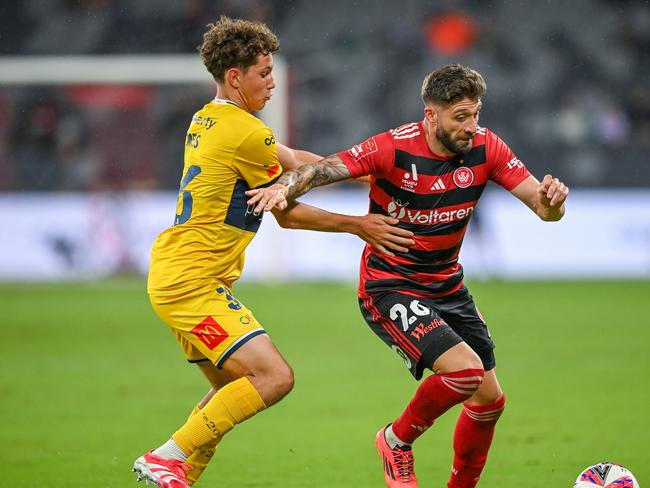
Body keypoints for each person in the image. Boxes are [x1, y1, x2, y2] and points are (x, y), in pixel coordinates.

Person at [246, 64, 569, 487]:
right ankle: (395, 441)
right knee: (466, 374)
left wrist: (554, 202)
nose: (472, 127)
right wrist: (284, 188)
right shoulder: (393, 148)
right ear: (431, 115)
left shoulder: (487, 148)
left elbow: (544, 210)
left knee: (489, 401)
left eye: (475, 115)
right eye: (460, 117)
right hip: (390, 286)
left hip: (447, 286)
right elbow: (323, 169)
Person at [132, 16, 414, 488]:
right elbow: (288, 212)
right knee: (274, 378)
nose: (272, 80)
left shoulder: (211, 119)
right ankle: (167, 457)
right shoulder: (245, 132)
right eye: (263, 72)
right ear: (235, 77)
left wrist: (369, 172)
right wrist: (359, 225)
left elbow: (293, 160)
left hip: (178, 272)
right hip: (191, 281)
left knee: (229, 394)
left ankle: (176, 474)